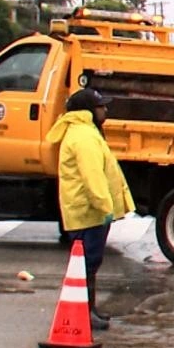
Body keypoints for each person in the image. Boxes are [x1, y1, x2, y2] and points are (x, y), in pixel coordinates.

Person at [46, 87, 135, 330]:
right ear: (88, 111)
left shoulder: (84, 132)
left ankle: (88, 310)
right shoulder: (84, 136)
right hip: (88, 213)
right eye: (101, 106)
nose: (105, 110)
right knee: (86, 264)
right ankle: (83, 313)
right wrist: (105, 207)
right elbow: (93, 176)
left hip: (87, 212)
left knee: (89, 264)